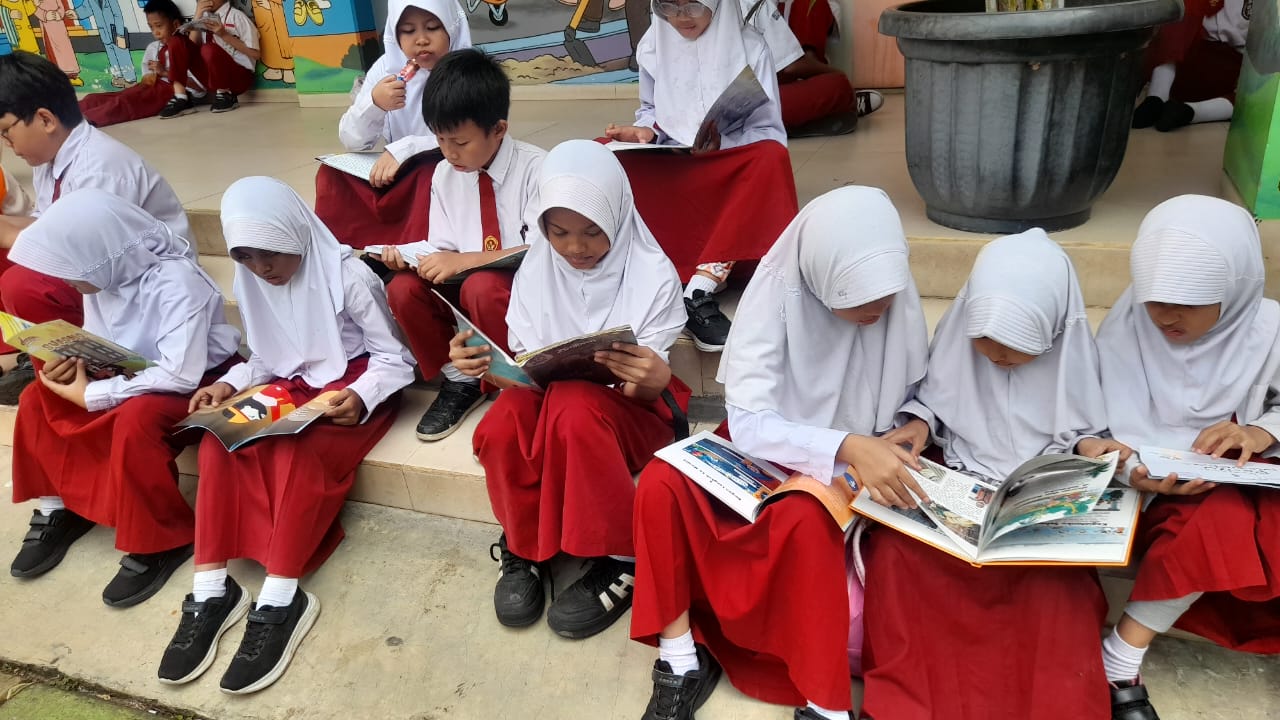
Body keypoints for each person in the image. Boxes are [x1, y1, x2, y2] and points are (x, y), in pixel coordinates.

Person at [632, 186, 929, 720]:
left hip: (852, 461)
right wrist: (845, 443)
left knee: (803, 518)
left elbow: (917, 389)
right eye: (857, 300)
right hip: (772, 441)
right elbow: (750, 422)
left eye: (885, 299)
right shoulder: (778, 292)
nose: (876, 311)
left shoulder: (892, 294)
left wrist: (915, 421)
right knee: (659, 482)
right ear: (817, 278)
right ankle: (679, 656)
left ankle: (824, 704)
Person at [157, 176, 415, 694]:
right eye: (245, 257)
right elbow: (267, 356)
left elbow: (396, 357)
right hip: (289, 386)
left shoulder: (347, 276)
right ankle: (211, 590)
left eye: (270, 253)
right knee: (220, 440)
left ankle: (281, 596)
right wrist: (228, 384)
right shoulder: (251, 280)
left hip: (352, 392)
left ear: (296, 233)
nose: (261, 268)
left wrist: (361, 396)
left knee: (292, 449)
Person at [860, 229, 1129, 720]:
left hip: (1042, 492)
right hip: (961, 476)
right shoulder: (958, 343)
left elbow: (1081, 424)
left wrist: (1088, 446)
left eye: (1019, 345)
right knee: (898, 555)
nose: (999, 356)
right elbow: (938, 399)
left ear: (1054, 330)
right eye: (985, 340)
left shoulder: (1075, 357)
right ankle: (908, 704)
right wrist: (921, 423)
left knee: (1055, 589)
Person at [464, 139, 690, 640]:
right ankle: (524, 545)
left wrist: (652, 380)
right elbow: (527, 369)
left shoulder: (653, 275)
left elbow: (645, 387)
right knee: (505, 417)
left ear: (619, 219)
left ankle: (621, 556)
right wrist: (488, 367)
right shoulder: (537, 267)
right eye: (559, 232)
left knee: (573, 403)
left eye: (592, 231)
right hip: (558, 408)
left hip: (633, 413)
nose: (574, 248)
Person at [6, 189, 240, 608]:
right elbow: (113, 345)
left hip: (201, 382)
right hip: (135, 374)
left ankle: (161, 538)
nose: (66, 280)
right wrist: (78, 365)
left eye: (71, 267)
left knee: (137, 419)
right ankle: (59, 505)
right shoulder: (104, 279)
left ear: (101, 254)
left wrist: (94, 392)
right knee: (36, 398)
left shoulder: (177, 282)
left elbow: (180, 373)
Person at [1094, 195, 1280, 720]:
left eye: (1190, 302)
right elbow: (1085, 421)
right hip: (1132, 486)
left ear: (1235, 288)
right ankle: (1115, 660)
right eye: (1154, 298)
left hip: (1217, 488)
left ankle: (1121, 654)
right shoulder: (1125, 325)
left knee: (1226, 517)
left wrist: (1257, 432)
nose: (1165, 316)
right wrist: (1129, 466)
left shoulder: (1269, 329)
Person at [604, 0, 797, 353]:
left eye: (692, 6)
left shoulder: (751, 48)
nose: (680, 17)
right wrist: (645, 131)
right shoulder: (653, 44)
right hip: (676, 164)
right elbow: (651, 111)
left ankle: (699, 287)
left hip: (726, 165)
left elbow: (767, 130)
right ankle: (640, 272)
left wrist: (724, 145)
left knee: (771, 158)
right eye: (667, 6)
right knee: (600, 154)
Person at [0, 51, 191, 402]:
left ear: (45, 119)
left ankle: (80, 369)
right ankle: (48, 360)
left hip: (146, 284)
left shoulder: (99, 168)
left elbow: (91, 255)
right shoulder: (50, 159)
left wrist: (11, 232)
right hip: (102, 273)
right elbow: (47, 223)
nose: (7, 146)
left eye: (7, 132)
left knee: (23, 282)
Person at [375, 48, 545, 442]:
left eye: (460, 141)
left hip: (520, 294)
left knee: (481, 285)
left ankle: (513, 383)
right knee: (403, 288)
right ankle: (460, 380)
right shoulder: (444, 173)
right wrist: (412, 259)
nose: (449, 152)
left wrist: (468, 260)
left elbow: (546, 251)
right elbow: (444, 246)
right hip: (464, 287)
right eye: (440, 139)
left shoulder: (537, 169)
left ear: (498, 129)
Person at [317, 0, 472, 249]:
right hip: (395, 167)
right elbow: (352, 141)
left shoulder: (468, 71)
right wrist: (374, 104)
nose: (421, 40)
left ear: (451, 26)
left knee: (431, 175)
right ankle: (358, 245)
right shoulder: (386, 67)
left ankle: (412, 248)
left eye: (432, 27)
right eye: (408, 31)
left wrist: (406, 149)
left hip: (441, 166)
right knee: (332, 174)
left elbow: (469, 137)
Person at [739, 0, 882, 137]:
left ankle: (802, 116)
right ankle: (842, 104)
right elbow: (792, 67)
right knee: (840, 87)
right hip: (746, 107)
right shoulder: (757, 4)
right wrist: (841, 75)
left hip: (744, 98)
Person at [80, 0, 209, 126]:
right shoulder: (153, 47)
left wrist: (164, 72)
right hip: (148, 87)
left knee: (123, 102)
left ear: (175, 25)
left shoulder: (183, 46)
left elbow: (199, 88)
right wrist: (150, 77)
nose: (155, 32)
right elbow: (147, 81)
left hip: (168, 92)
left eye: (159, 26)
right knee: (95, 98)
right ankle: (70, 112)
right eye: (151, 27)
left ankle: (83, 121)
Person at [1131, 0, 1247, 131]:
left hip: (1227, 82)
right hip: (1184, 67)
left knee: (1258, 94)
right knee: (1179, 10)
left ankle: (1188, 112)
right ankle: (1156, 98)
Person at [186, 0, 261, 114]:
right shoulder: (203, 19)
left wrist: (224, 35)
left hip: (238, 78)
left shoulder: (237, 17)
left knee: (208, 49)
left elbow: (256, 54)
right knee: (180, 46)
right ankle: (181, 96)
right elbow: (190, 51)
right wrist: (197, 17)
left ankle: (225, 94)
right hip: (213, 81)